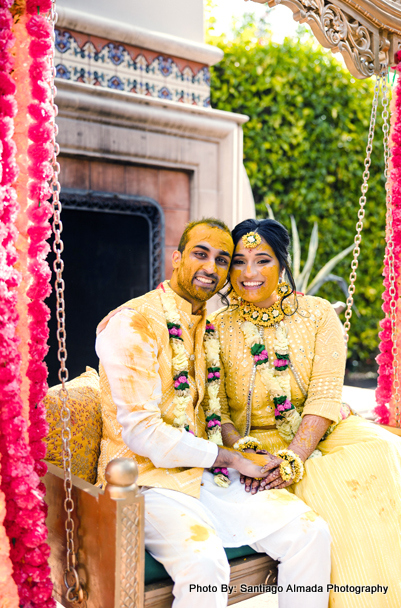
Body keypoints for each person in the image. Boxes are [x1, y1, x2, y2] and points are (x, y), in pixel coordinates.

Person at [95, 218, 332, 608]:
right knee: (207, 567)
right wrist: (231, 458)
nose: (212, 268)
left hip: (206, 476)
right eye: (200, 254)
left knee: (310, 533)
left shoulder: (208, 326)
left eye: (223, 260)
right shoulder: (131, 322)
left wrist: (240, 454)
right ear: (177, 258)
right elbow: (141, 432)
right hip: (144, 482)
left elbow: (214, 411)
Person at [212, 217, 401, 608]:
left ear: (281, 265)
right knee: (326, 484)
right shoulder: (216, 327)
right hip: (258, 442)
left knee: (382, 451)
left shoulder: (317, 315)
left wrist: (294, 457)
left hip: (323, 428)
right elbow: (217, 411)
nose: (249, 273)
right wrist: (243, 453)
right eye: (239, 261)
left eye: (262, 260)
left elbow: (324, 394)